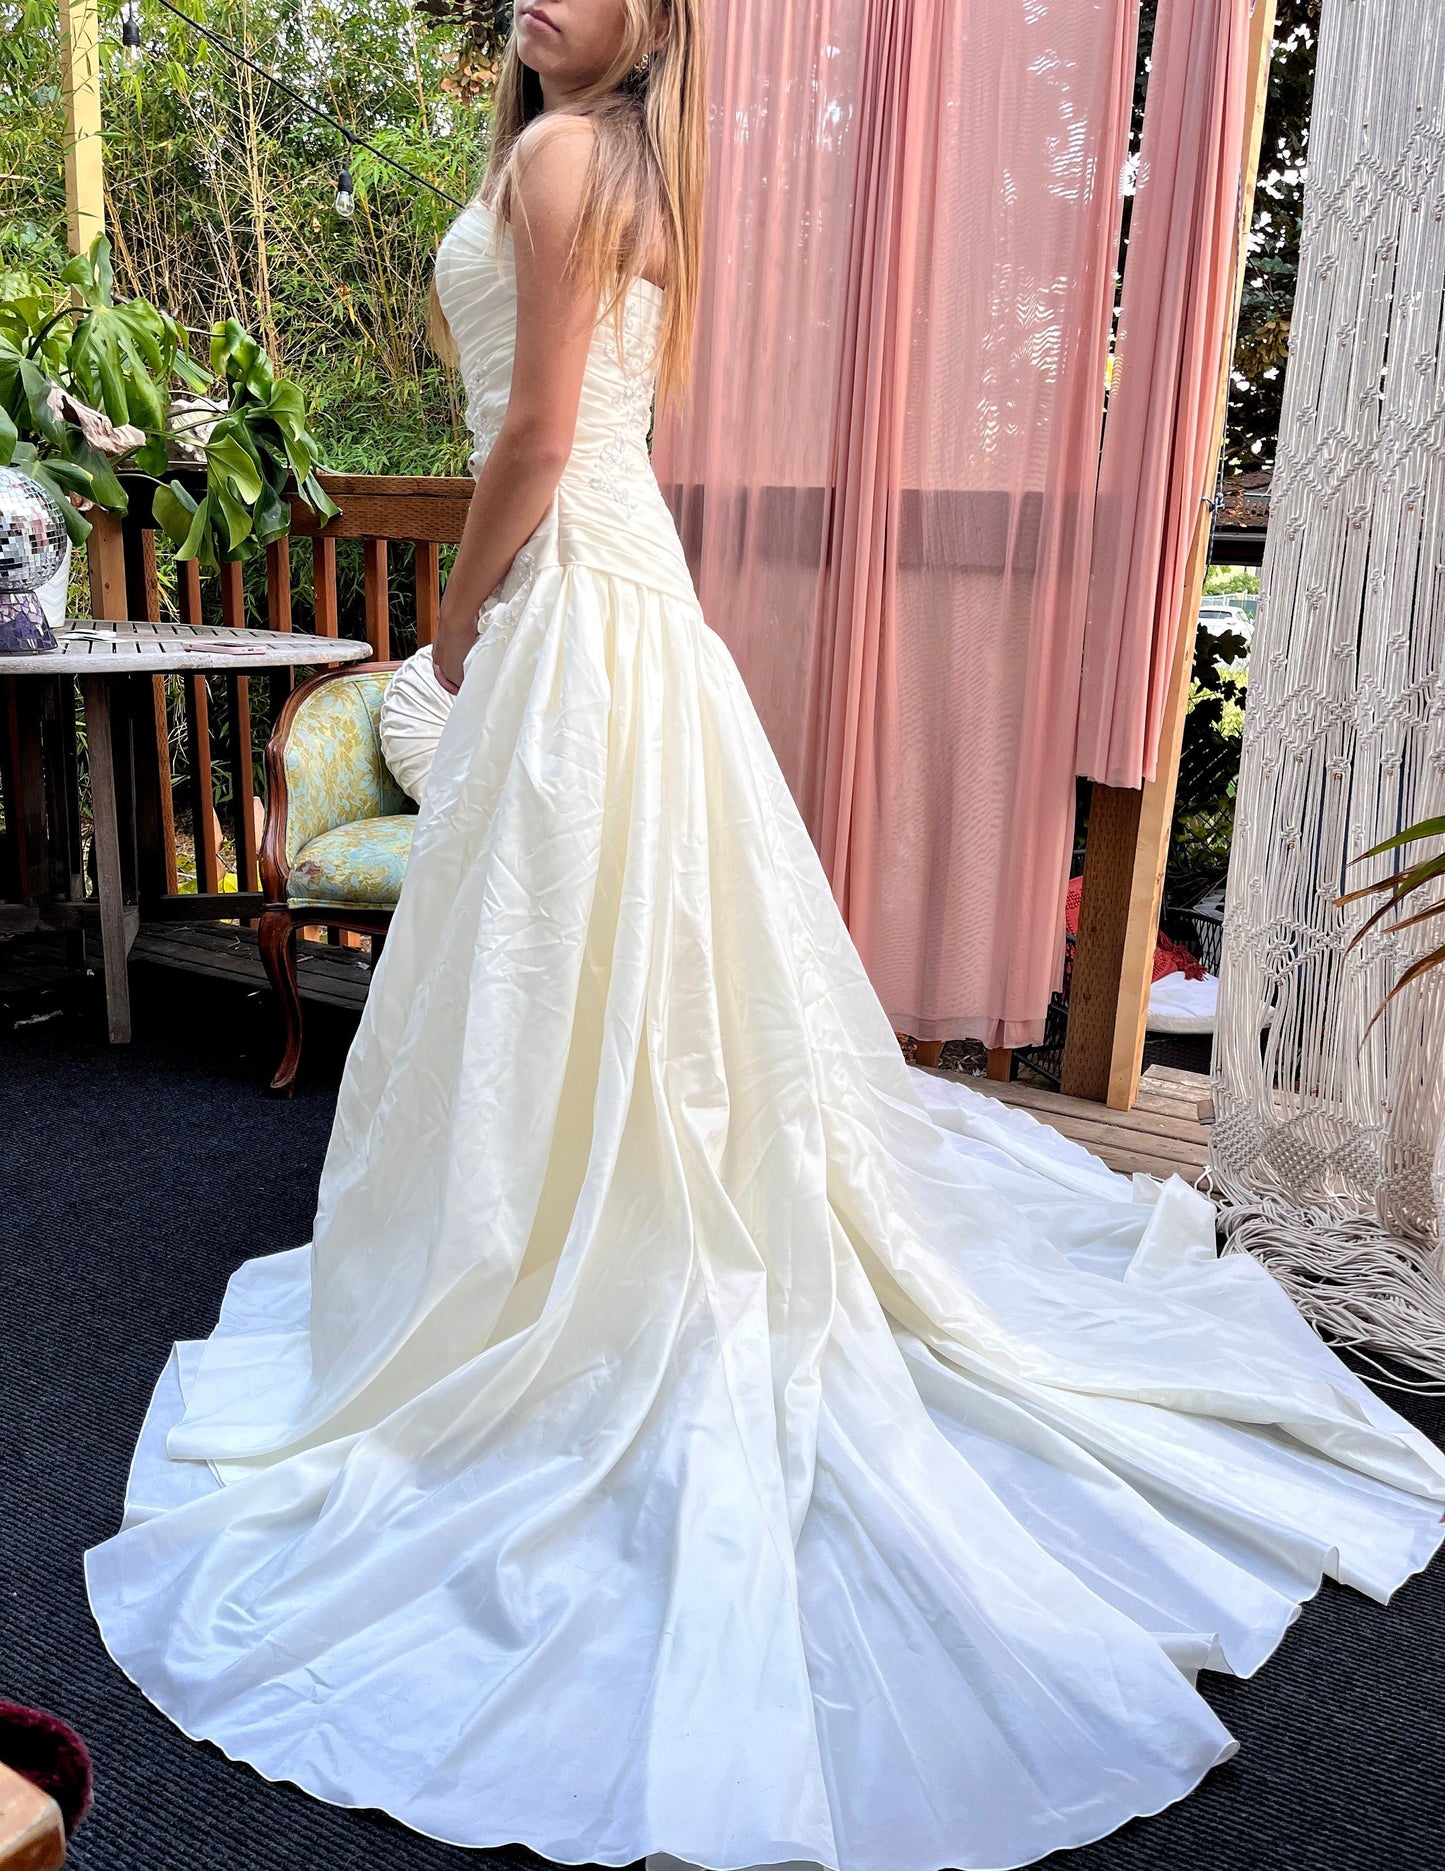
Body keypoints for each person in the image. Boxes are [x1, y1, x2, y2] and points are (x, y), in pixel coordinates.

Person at [86, 6, 1445, 1870]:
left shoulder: (569, 158)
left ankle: (569, 1234)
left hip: (577, 588)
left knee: (577, 938)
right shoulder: (619, 162)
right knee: (614, 943)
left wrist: (460, 619)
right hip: (633, 591)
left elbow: (543, 434)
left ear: (650, 16)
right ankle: (599, 1199)